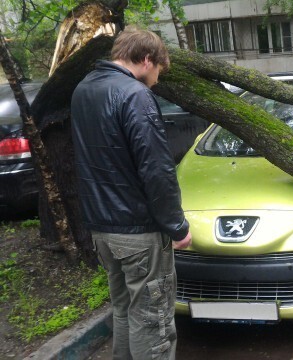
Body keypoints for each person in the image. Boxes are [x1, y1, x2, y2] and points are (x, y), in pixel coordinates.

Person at [71, 28, 192, 359]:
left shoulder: (83, 90)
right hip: (138, 232)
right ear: (147, 60)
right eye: (157, 73)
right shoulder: (135, 95)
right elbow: (156, 169)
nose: (155, 81)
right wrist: (177, 226)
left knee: (124, 311)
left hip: (102, 230)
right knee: (152, 322)